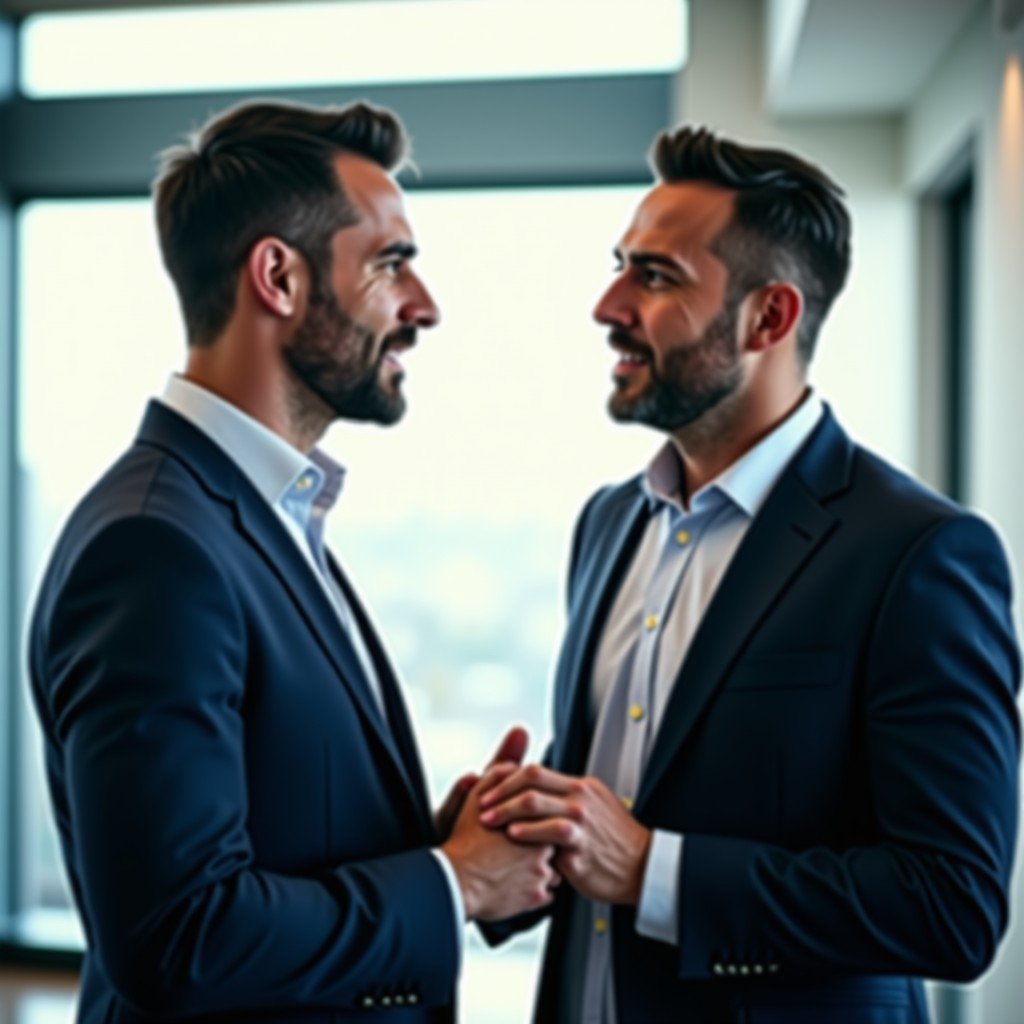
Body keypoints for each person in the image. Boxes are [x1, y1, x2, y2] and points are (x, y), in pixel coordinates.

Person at [27, 100, 557, 1024]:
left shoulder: (259, 516)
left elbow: (266, 840)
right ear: (277, 276)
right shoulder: (154, 548)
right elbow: (180, 938)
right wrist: (453, 883)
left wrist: (432, 847)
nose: (424, 307)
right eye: (390, 264)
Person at [478, 127, 1022, 1023]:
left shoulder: (919, 552)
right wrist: (518, 831)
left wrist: (653, 870)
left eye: (656, 277)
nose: (609, 305)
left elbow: (950, 907)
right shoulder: (607, 524)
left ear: (769, 318)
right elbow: (608, 826)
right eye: (620, 267)